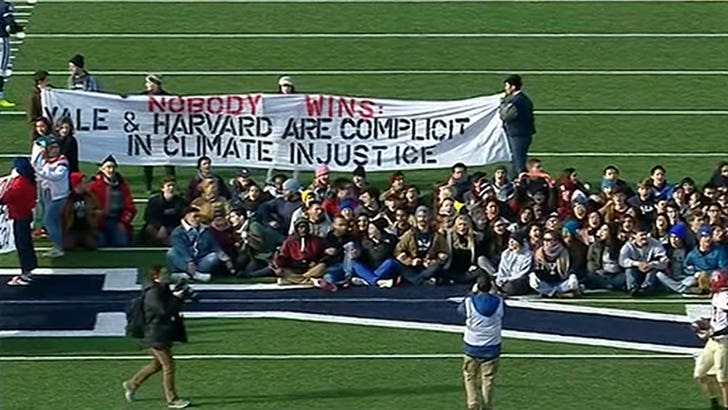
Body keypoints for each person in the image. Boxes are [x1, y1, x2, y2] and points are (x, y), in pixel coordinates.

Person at [122, 266, 191, 409]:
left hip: (161, 332)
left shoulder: (162, 288)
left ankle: (131, 384)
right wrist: (177, 298)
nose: (168, 275)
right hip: (155, 334)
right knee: (169, 366)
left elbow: (170, 306)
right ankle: (172, 399)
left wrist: (179, 295)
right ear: (156, 277)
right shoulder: (152, 293)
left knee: (157, 365)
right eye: (164, 273)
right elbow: (163, 311)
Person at [458, 275, 504, 410]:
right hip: (492, 346)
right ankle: (487, 405)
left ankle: (472, 402)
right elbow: (503, 313)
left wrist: (471, 293)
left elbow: (460, 311)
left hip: (472, 345)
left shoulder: (469, 302)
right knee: (488, 378)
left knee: (470, 376)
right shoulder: (498, 301)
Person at [693, 270, 728, 410]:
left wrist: (712, 331)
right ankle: (714, 401)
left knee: (723, 379)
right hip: (714, 341)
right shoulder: (718, 294)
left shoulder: (725, 297)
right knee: (699, 374)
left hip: (724, 341)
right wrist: (707, 324)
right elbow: (718, 318)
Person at [167, 206, 230, 282]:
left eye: (199, 217)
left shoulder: (206, 230)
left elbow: (214, 246)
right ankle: (196, 275)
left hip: (201, 260)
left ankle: (188, 275)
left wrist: (226, 259)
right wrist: (189, 261)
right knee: (171, 252)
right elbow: (181, 248)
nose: (198, 219)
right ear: (186, 217)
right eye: (195, 217)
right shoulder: (178, 232)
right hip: (185, 261)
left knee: (214, 256)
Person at [87, 155, 136, 247]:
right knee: (100, 244)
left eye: (113, 167)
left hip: (117, 220)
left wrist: (123, 222)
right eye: (108, 167)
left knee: (121, 243)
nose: (111, 170)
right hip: (99, 221)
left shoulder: (122, 186)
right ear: (101, 169)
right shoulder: (93, 186)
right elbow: (88, 204)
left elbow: (130, 207)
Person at [33, 136, 70, 258]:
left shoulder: (62, 161)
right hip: (48, 193)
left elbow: (56, 176)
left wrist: (39, 171)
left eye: (56, 147)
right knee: (53, 220)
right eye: (51, 147)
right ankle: (57, 245)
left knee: (49, 221)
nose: (54, 150)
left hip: (58, 196)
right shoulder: (46, 160)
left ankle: (58, 247)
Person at [4, 157, 38, 286]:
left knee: (22, 245)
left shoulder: (20, 182)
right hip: (26, 214)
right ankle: (29, 269)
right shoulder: (29, 180)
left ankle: (25, 273)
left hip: (20, 216)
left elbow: (8, 196)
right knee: (26, 244)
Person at [141, 74, 175, 193]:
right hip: (148, 133)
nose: (146, 85)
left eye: (149, 83)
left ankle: (171, 183)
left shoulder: (168, 98)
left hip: (164, 133)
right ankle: (148, 186)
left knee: (168, 161)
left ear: (156, 84)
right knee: (148, 160)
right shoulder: (141, 97)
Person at [499, 74, 535, 176]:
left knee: (518, 162)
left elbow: (505, 116)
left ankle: (519, 184)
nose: (505, 89)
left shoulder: (516, 101)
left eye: (507, 86)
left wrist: (502, 104)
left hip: (518, 134)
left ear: (513, 87)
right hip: (523, 133)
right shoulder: (524, 99)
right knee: (517, 160)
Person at [273, 218, 327, 285]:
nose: (303, 229)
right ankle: (310, 281)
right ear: (296, 228)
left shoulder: (316, 240)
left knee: (322, 267)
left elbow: (322, 254)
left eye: (305, 227)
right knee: (281, 271)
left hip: (310, 268)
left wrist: (316, 262)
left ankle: (295, 280)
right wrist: (279, 262)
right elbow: (283, 256)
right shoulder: (289, 241)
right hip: (294, 268)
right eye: (301, 227)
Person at [619, 225, 669, 296]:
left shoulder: (655, 243)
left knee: (653, 270)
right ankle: (632, 288)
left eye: (645, 234)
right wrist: (637, 264)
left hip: (650, 271)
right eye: (641, 235)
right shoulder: (628, 246)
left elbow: (664, 260)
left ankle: (646, 288)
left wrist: (651, 264)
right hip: (636, 271)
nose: (644, 237)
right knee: (629, 269)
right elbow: (622, 261)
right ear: (634, 236)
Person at [529, 230, 581, 297]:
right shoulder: (538, 253)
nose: (546, 242)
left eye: (549, 240)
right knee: (537, 284)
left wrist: (572, 275)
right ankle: (559, 294)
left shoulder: (566, 252)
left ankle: (552, 293)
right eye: (544, 239)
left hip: (562, 281)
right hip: (546, 282)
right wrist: (532, 275)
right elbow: (534, 268)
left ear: (557, 240)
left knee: (571, 284)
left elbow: (573, 267)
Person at [142, 176, 187, 246]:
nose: (171, 188)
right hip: (156, 226)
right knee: (150, 229)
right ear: (162, 188)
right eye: (168, 186)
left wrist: (167, 227)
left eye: (173, 185)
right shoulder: (154, 201)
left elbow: (182, 216)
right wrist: (161, 227)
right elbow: (149, 217)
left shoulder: (181, 201)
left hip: (174, 226)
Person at [61, 172, 100, 250]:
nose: (87, 184)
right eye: (84, 182)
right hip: (72, 228)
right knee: (68, 246)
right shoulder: (68, 198)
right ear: (77, 184)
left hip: (86, 228)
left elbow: (97, 208)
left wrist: (94, 214)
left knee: (92, 246)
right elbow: (63, 214)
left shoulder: (89, 196)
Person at [494, 231, 533, 295]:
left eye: (514, 241)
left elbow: (522, 273)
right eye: (510, 240)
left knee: (511, 286)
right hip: (505, 279)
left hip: (518, 280)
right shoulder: (505, 253)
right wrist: (500, 278)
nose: (511, 243)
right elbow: (502, 268)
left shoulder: (527, 255)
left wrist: (507, 279)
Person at [0, 0, 22, 108]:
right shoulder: (4, 5)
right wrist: (16, 29)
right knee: (1, 70)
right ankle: (0, 97)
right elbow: (10, 22)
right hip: (1, 39)